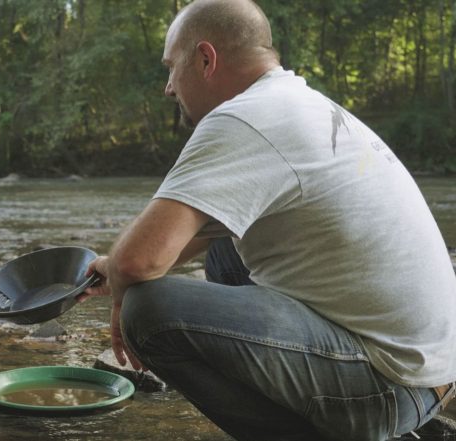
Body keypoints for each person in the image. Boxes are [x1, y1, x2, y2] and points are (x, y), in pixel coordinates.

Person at [83, 1, 456, 439]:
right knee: (224, 247)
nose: (168, 87)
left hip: (391, 386)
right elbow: (154, 253)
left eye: (171, 67)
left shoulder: (243, 118)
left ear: (205, 59)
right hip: (429, 371)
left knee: (150, 312)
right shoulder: (295, 102)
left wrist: (123, 295)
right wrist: (113, 271)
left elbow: (137, 263)